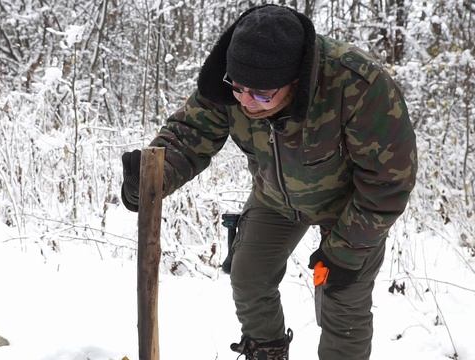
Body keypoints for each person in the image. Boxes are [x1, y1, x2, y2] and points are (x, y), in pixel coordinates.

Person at [121, 4, 417, 360]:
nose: (247, 102)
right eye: (239, 89)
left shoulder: (356, 86)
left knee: (341, 296)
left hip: (349, 206)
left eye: (262, 95)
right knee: (248, 276)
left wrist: (345, 251)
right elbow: (190, 133)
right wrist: (151, 178)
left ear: (295, 81)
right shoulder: (232, 80)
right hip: (276, 196)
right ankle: (266, 354)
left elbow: (387, 181)